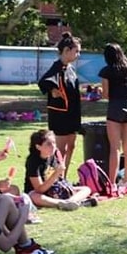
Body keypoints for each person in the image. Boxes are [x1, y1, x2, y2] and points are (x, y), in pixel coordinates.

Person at [37, 32, 82, 177]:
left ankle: (64, 176)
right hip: (60, 115)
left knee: (71, 146)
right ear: (66, 51)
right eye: (77, 51)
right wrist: (52, 89)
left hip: (73, 114)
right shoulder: (56, 67)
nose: (78, 55)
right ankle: (54, 178)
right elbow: (44, 81)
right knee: (60, 149)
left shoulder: (70, 69)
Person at [98, 43, 127, 194]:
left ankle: (112, 182)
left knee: (115, 148)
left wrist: (101, 91)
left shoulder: (106, 71)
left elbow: (105, 95)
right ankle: (126, 180)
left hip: (115, 108)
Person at [24, 129, 94, 210]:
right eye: (49, 144)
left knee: (86, 189)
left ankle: (69, 202)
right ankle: (69, 203)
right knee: (33, 196)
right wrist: (56, 173)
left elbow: (59, 180)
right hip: (41, 193)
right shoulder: (33, 161)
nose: (53, 146)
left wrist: (60, 177)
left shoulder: (53, 155)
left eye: (54, 142)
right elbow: (39, 189)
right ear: (38, 147)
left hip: (55, 190)